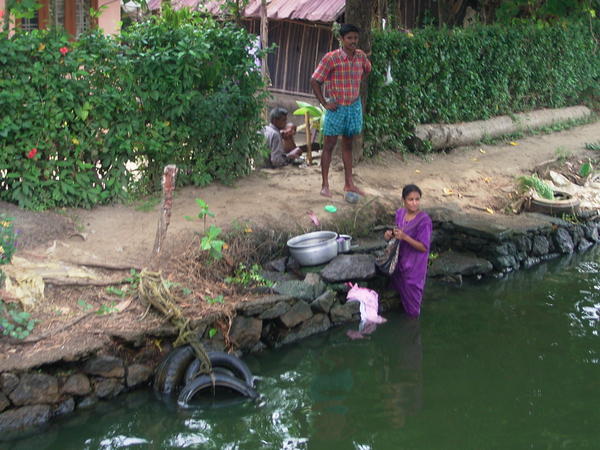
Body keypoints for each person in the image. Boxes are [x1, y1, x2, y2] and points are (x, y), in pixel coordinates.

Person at [310, 23, 372, 198]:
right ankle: (325, 185)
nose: (353, 41)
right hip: (336, 107)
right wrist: (324, 103)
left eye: (355, 38)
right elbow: (315, 80)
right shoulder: (331, 58)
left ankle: (349, 184)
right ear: (341, 39)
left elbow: (367, 69)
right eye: (349, 38)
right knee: (329, 145)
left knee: (348, 145)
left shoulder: (360, 56)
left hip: (353, 107)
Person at [384, 184, 432, 317]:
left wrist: (405, 237)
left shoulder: (424, 221)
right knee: (397, 294)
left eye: (417, 199)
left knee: (413, 309)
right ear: (403, 200)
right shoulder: (400, 214)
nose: (414, 203)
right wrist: (390, 234)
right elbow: (398, 231)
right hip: (399, 263)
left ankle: (412, 331)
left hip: (414, 267)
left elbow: (423, 247)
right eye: (411, 199)